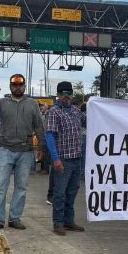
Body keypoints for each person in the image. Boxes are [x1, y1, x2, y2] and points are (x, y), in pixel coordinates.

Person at [0, 74, 46, 231]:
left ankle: (15, 218)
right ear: (10, 86)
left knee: (21, 187)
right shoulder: (1, 103)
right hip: (5, 149)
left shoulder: (32, 104)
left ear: (25, 86)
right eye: (15, 84)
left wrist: (41, 147)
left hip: (26, 151)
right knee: (0, 186)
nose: (18, 87)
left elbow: (39, 126)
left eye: (21, 84)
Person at [45, 81, 86, 236]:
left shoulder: (76, 111)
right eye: (62, 93)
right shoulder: (54, 112)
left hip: (77, 158)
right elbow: (49, 136)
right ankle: (58, 223)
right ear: (58, 95)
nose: (66, 96)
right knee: (60, 193)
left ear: (72, 95)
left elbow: (91, 120)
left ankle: (69, 221)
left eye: (68, 93)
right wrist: (55, 158)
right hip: (63, 159)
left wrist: (97, 105)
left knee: (72, 191)